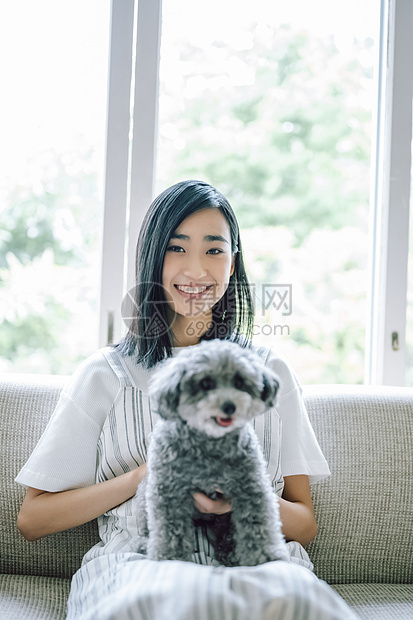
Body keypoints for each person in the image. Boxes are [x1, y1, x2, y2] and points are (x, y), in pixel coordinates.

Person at [16, 180, 358, 619]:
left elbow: (304, 525)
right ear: (153, 260)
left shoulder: (270, 372)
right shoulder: (106, 374)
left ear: (233, 264)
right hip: (141, 563)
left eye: (214, 250)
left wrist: (241, 495)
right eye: (177, 249)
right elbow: (33, 520)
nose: (196, 271)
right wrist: (144, 477)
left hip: (258, 565)